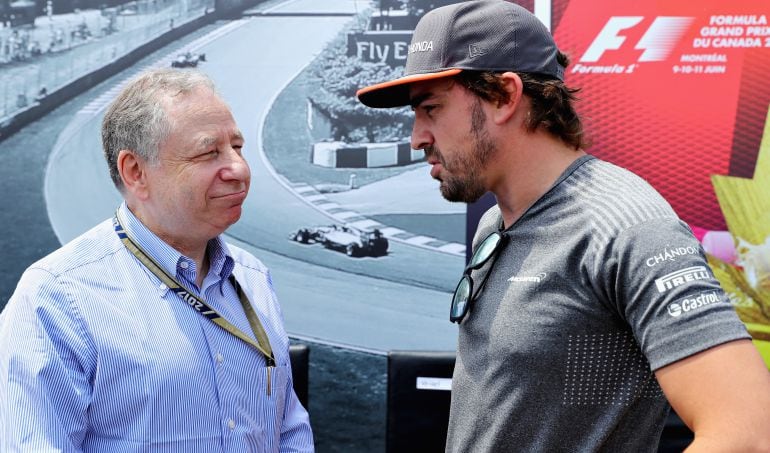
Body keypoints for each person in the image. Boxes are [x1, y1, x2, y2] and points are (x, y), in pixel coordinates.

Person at [356, 1, 770, 451]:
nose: (417, 137)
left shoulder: (624, 227)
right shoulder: (496, 223)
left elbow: (747, 431)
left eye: (430, 109)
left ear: (504, 96)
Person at [0, 68, 314, 451]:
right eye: (208, 152)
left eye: (238, 147)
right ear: (135, 172)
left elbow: (288, 431)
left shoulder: (252, 279)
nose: (239, 169)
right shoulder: (58, 297)